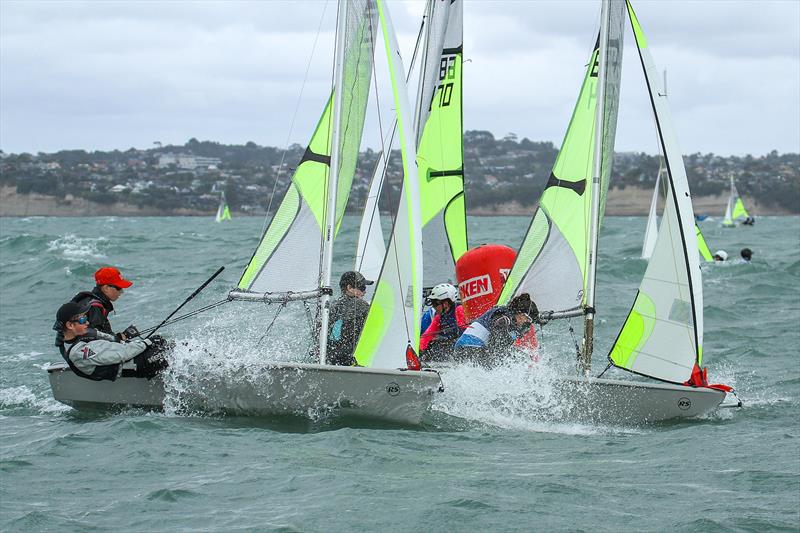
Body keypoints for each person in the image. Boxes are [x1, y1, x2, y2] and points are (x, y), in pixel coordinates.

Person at [54, 301, 169, 381]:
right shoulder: (78, 352)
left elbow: (113, 341)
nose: (87, 322)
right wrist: (147, 342)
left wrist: (123, 336)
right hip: (137, 365)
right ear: (69, 325)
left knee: (175, 347)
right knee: (174, 354)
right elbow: (121, 355)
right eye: (83, 319)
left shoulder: (82, 334)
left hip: (136, 354)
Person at [453, 293, 539, 365]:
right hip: (468, 350)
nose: (527, 322)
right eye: (528, 319)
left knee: (516, 356)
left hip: (466, 350)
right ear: (521, 314)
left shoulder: (508, 315)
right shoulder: (504, 319)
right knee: (516, 359)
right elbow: (495, 348)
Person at [326, 271, 373, 366]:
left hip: (329, 358)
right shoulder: (360, 305)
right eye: (362, 288)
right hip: (348, 362)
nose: (364, 292)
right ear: (349, 288)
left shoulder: (332, 306)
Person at [71, 266, 134, 338]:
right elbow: (94, 339)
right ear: (106, 288)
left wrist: (118, 337)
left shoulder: (92, 300)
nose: (122, 291)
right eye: (119, 288)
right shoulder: (95, 307)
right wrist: (117, 339)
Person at [419, 283, 468, 362]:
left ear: (445, 303)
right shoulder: (439, 317)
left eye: (435, 303)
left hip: (463, 350)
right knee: (434, 345)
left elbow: (466, 335)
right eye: (432, 303)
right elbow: (426, 336)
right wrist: (419, 352)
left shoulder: (459, 310)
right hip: (451, 351)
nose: (433, 307)